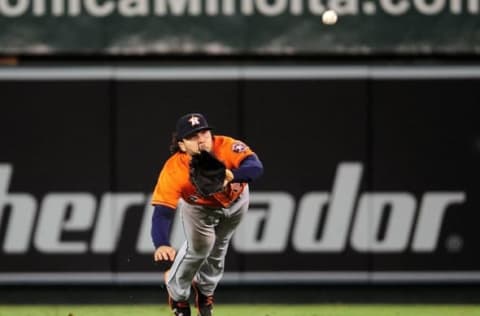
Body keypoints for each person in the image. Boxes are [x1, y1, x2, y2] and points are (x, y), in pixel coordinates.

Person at [150, 113, 264, 316]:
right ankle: (178, 298)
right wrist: (161, 243)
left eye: (204, 132)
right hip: (199, 209)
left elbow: (256, 167)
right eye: (193, 136)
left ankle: (205, 293)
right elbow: (162, 212)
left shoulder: (226, 146)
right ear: (182, 145)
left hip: (237, 202)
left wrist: (233, 176)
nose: (201, 138)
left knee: (217, 252)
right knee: (198, 251)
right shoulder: (174, 169)